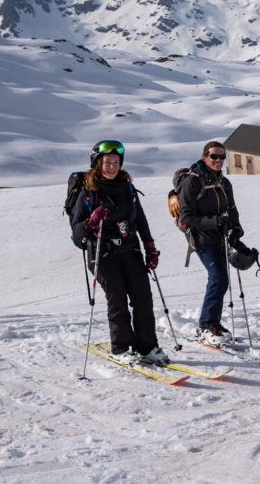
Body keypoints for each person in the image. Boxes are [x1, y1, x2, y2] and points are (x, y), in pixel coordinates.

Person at [70, 140, 168, 364]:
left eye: (116, 162)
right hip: (102, 254)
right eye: (107, 163)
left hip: (129, 249)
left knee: (143, 299)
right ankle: (121, 348)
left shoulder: (127, 187)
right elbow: (77, 231)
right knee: (118, 301)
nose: (112, 167)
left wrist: (150, 246)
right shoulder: (88, 191)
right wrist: (91, 222)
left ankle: (147, 347)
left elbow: (140, 219)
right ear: (97, 163)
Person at [177, 141, 244, 347]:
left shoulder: (223, 182)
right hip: (202, 239)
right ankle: (206, 325)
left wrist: (237, 229)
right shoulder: (193, 182)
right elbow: (186, 217)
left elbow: (231, 208)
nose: (218, 160)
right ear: (204, 156)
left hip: (222, 237)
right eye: (214, 156)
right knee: (219, 279)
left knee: (220, 280)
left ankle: (213, 323)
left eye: (222, 157)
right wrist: (213, 222)